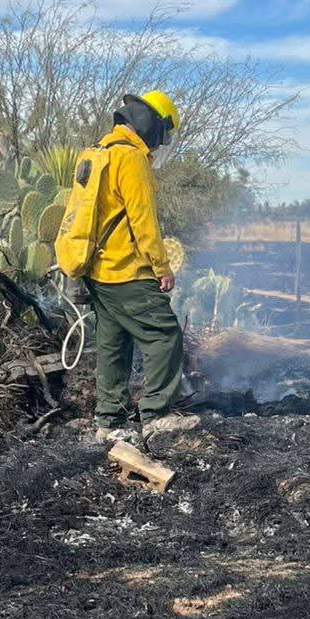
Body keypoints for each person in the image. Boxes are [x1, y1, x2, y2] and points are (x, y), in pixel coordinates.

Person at [84, 91, 196, 440]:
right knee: (164, 336)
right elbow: (143, 222)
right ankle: (157, 417)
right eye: (165, 134)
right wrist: (162, 267)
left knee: (112, 343)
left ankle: (109, 422)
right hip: (128, 270)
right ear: (152, 127)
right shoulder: (132, 160)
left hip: (97, 271)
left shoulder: (99, 151)